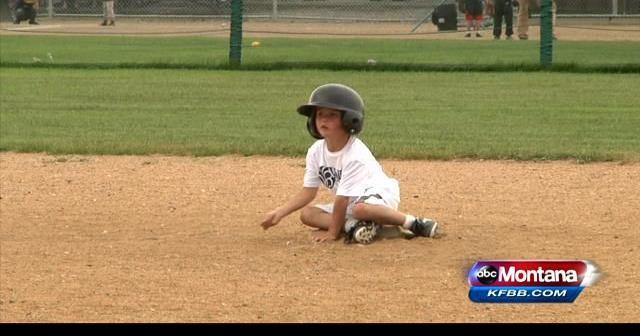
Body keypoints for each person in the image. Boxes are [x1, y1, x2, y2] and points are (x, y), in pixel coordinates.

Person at [260, 83, 439, 244]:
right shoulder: (315, 151)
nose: (323, 119)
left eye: (331, 115)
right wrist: (280, 212)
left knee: (361, 209)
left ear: (349, 120)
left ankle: (413, 223)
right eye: (320, 114)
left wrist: (332, 233)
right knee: (308, 214)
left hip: (378, 198)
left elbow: (342, 199)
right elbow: (308, 192)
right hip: (353, 204)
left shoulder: (355, 154)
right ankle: (358, 227)